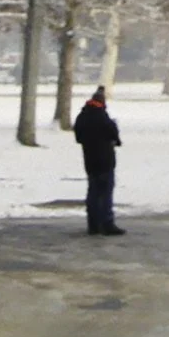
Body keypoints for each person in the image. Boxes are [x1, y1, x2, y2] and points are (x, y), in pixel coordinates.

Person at [73, 86, 123, 236]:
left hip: (90, 160)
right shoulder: (103, 117)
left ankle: (93, 224)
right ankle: (107, 223)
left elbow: (78, 137)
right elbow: (115, 136)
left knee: (93, 192)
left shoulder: (82, 117)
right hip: (105, 161)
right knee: (105, 193)